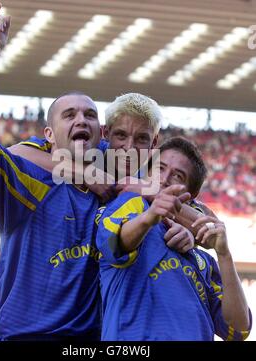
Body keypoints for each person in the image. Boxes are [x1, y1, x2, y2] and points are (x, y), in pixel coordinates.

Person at [0, 4, 102, 341]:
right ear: (47, 136)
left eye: (90, 115)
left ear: (101, 134)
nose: (81, 120)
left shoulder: (119, 189)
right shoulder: (28, 183)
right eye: (69, 115)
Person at [96, 136, 252, 341]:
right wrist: (149, 218)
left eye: (177, 176)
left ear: (190, 195)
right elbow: (112, 246)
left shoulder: (203, 261)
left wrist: (224, 254)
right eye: (160, 168)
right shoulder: (128, 207)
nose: (164, 178)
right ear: (146, 173)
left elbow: (238, 331)